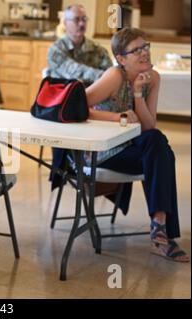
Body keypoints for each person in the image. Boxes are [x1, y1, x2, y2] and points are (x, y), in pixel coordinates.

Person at [84, 27, 189, 262]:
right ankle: (162, 235)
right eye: (137, 50)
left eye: (146, 46)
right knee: (163, 153)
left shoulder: (153, 78)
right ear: (121, 59)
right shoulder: (115, 76)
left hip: (130, 146)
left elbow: (148, 126)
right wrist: (117, 118)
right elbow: (77, 105)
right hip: (104, 150)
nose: (145, 53)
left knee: (156, 141)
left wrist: (139, 93)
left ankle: (159, 227)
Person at [47, 4, 113, 87]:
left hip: (92, 98)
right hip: (64, 97)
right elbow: (74, 71)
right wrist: (104, 76)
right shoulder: (56, 50)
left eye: (84, 19)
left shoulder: (99, 50)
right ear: (65, 23)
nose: (81, 24)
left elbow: (110, 75)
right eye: (76, 19)